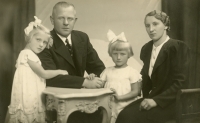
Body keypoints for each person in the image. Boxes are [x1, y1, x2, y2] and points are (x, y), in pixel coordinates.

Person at [116, 10, 190, 123]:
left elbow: (181, 83)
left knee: (128, 117)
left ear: (166, 25)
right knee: (123, 113)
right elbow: (145, 79)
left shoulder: (178, 48)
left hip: (171, 103)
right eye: (147, 25)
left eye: (155, 24)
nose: (151, 29)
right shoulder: (146, 49)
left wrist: (156, 101)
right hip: (151, 99)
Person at [38, 1, 105, 123]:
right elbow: (51, 78)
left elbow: (98, 68)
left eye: (70, 19)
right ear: (52, 20)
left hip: (83, 100)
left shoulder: (82, 38)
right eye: (61, 18)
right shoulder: (45, 41)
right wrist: (84, 82)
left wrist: (94, 78)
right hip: (57, 102)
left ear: (75, 20)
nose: (66, 23)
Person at [7, 16, 68, 123]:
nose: (41, 45)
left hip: (30, 92)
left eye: (44, 42)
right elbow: (43, 73)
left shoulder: (28, 54)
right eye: (38, 40)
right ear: (29, 38)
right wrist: (60, 71)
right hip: (28, 95)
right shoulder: (28, 54)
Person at [87, 30, 142, 123]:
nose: (119, 57)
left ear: (129, 55)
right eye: (115, 54)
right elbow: (99, 86)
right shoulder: (107, 71)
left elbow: (135, 91)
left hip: (126, 106)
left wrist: (120, 98)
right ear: (110, 54)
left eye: (122, 54)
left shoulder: (132, 72)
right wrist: (92, 78)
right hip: (109, 106)